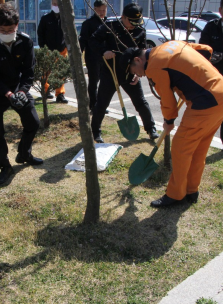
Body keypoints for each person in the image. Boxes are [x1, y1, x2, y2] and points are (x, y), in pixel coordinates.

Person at [120, 41, 223, 207]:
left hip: (205, 102)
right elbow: (206, 49)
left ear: (138, 60)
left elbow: (167, 99)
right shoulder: (170, 45)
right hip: (220, 92)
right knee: (198, 148)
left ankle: (176, 195)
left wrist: (169, 120)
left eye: (135, 71)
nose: (140, 75)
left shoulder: (154, 66)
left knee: (180, 149)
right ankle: (191, 190)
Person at [0, 3, 43, 185]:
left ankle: (24, 153)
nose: (7, 32)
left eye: (10, 29)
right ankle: (4, 167)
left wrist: (22, 91)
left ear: (17, 26)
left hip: (17, 88)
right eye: (2, 29)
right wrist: (8, 94)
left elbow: (28, 72)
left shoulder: (25, 41)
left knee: (33, 121)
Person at [88, 3, 158, 143]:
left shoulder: (139, 31)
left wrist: (138, 74)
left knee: (140, 101)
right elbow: (93, 40)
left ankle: (151, 129)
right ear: (123, 17)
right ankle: (95, 132)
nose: (133, 26)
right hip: (110, 72)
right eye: (131, 22)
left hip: (130, 73)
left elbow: (143, 55)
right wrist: (104, 51)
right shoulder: (110, 27)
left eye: (136, 22)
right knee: (101, 103)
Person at [199, 0, 223, 147]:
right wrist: (212, 56)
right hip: (212, 79)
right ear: (220, 10)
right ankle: (201, 143)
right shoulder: (211, 27)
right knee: (208, 114)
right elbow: (202, 50)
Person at [37, 0, 68, 103]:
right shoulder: (45, 19)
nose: (56, 6)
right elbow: (40, 34)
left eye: (58, 4)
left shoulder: (65, 18)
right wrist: (43, 48)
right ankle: (45, 91)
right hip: (48, 50)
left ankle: (60, 94)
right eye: (54, 4)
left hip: (62, 49)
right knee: (46, 72)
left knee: (60, 73)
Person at [79, 0, 107, 112]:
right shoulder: (88, 24)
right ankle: (93, 104)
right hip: (92, 58)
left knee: (105, 82)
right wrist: (79, 56)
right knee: (94, 82)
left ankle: (101, 105)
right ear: (94, 9)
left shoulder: (109, 24)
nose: (102, 13)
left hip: (106, 58)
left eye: (104, 10)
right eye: (99, 10)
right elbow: (83, 41)